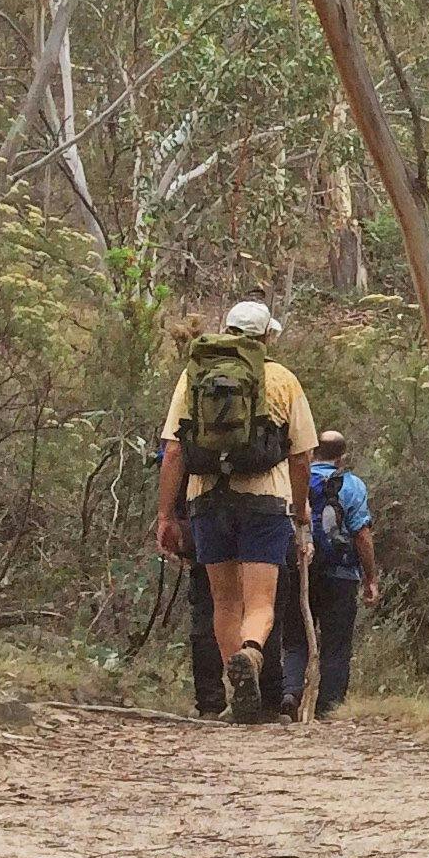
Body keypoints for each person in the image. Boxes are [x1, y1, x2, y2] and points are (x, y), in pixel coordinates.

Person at [153, 299, 314, 723]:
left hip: (206, 500)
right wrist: (301, 510)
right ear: (266, 336)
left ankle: (236, 693)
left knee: (223, 603)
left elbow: (173, 452)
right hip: (265, 500)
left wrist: (166, 515)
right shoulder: (281, 379)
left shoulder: (194, 378)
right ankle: (252, 653)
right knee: (260, 603)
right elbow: (301, 456)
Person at [288, 428, 380, 718]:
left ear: (313, 452)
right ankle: (329, 707)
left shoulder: (294, 479)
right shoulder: (352, 485)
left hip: (298, 568)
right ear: (342, 457)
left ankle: (289, 693)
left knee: (293, 639)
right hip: (341, 574)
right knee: (337, 642)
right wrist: (370, 577)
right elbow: (361, 534)